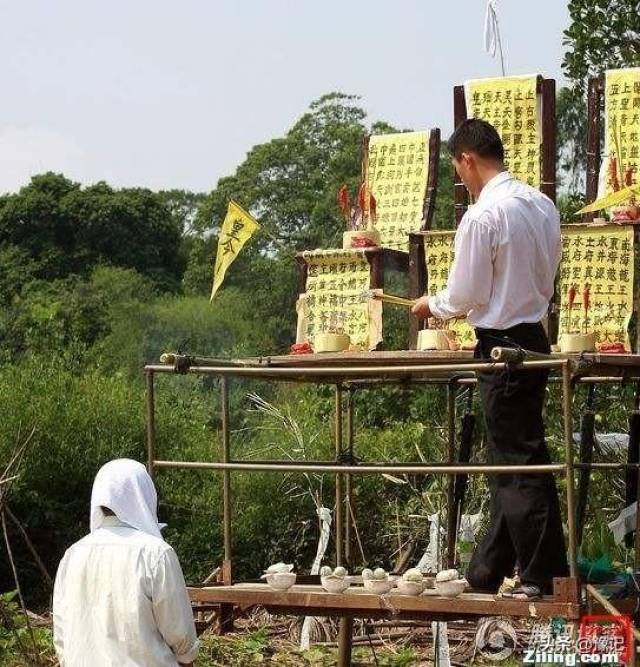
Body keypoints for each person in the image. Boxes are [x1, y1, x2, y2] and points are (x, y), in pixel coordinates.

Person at [412, 119, 568, 600]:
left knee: (516, 458)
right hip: (534, 337)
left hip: (501, 343)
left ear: (466, 160)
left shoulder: (483, 216)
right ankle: (488, 568)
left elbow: (467, 291)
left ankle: (543, 577)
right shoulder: (541, 205)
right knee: (516, 453)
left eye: (459, 170)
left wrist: (431, 304)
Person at [53, 459, 199, 666]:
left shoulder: (73, 555)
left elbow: (62, 637)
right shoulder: (156, 554)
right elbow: (181, 637)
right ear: (144, 495)